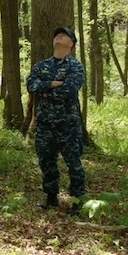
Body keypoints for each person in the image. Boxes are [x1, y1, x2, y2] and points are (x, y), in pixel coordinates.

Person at [26, 26, 86, 214]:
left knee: (73, 164)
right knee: (46, 162)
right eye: (57, 35)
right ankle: (51, 197)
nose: (59, 36)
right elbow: (30, 85)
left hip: (68, 124)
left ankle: (77, 200)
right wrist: (51, 84)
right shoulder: (41, 66)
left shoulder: (75, 66)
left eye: (64, 35)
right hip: (45, 125)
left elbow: (69, 90)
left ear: (71, 44)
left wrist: (44, 92)